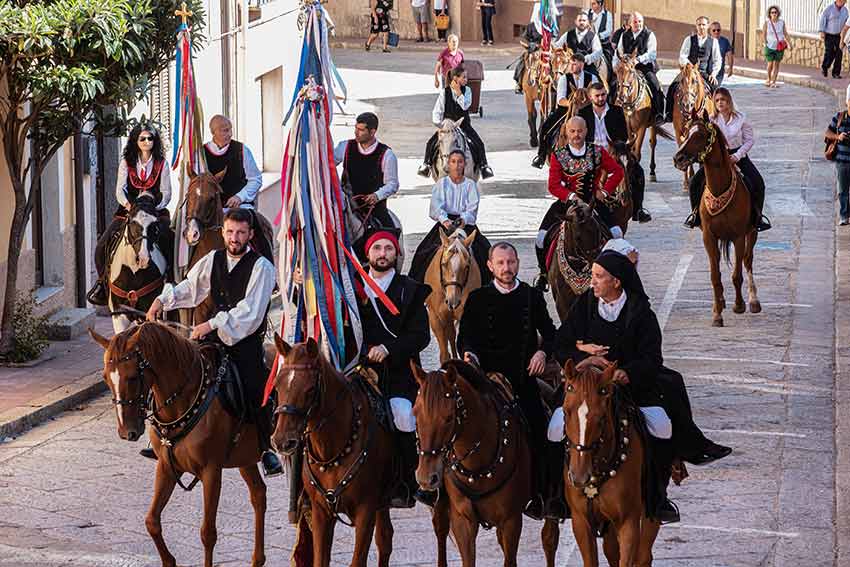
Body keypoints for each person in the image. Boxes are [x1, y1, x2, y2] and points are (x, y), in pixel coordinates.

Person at [553, 249, 732, 524]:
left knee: (661, 426)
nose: (592, 282)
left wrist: (626, 372)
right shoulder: (586, 303)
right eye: (593, 276)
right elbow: (561, 342)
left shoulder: (640, 312)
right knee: (554, 427)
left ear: (616, 281)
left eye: (599, 277)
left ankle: (657, 495)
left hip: (629, 386)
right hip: (588, 386)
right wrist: (584, 355)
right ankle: (555, 494)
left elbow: (652, 357)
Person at [145, 208, 283, 477]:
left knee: (255, 386)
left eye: (241, 232)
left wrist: (212, 323)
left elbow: (250, 312)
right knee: (173, 373)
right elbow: (191, 286)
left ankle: (266, 448)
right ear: (223, 232)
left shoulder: (262, 267)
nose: (235, 238)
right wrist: (164, 299)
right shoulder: (213, 259)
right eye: (230, 232)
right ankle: (161, 436)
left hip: (243, 342)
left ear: (250, 234)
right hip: (210, 340)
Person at [457, 241, 563, 520]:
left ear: (518, 263)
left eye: (511, 262)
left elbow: (551, 333)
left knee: (541, 430)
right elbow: (465, 337)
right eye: (501, 263)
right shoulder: (478, 298)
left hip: (523, 379)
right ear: (490, 266)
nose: (507, 268)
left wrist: (542, 352)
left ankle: (544, 494)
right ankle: (445, 491)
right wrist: (469, 355)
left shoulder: (531, 296)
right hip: (487, 381)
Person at [357, 231, 432, 507]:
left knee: (402, 416)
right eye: (377, 248)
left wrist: (389, 348)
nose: (383, 253)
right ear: (368, 253)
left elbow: (421, 335)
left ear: (396, 253)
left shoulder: (409, 289)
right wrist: (298, 286)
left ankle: (407, 482)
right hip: (360, 369)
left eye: (388, 248)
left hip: (399, 372)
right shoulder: (353, 287)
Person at [87, 123, 174, 306]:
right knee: (102, 246)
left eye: (150, 138)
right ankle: (103, 284)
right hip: (129, 210)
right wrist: (128, 205)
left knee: (170, 239)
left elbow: (166, 193)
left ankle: (171, 282)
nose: (146, 142)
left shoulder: (162, 163)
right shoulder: (126, 162)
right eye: (142, 138)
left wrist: (154, 206)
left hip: (154, 211)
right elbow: (120, 189)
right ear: (135, 140)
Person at [534, 116, 624, 290]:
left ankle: (618, 273)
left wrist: (604, 192)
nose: (576, 135)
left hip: (593, 203)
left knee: (617, 234)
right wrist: (570, 196)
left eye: (580, 131)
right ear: (567, 132)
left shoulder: (597, 151)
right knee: (540, 238)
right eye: (572, 131)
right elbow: (553, 185)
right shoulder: (558, 155)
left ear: (586, 131)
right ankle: (543, 274)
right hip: (566, 203)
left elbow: (617, 172)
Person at [684, 88, 770, 232]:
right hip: (717, 158)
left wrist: (737, 156)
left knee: (758, 182)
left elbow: (749, 140)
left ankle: (757, 217)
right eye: (716, 100)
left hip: (738, 155)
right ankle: (695, 215)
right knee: (694, 183)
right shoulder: (711, 120)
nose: (719, 103)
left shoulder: (741, 118)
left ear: (729, 101)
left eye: (722, 100)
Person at [408, 150, 492, 285]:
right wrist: (445, 221)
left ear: (464, 164)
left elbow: (472, 208)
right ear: (448, 164)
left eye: (460, 162)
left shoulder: (471, 185)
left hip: (466, 224)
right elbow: (436, 207)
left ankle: (487, 286)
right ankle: (417, 289)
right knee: (423, 253)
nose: (457, 165)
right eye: (453, 162)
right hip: (445, 224)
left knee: (485, 251)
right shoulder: (441, 184)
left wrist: (463, 220)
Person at [577, 82, 652, 223]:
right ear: (590, 97)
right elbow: (579, 137)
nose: (601, 98)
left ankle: (638, 209)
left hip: (613, 152)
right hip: (591, 153)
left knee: (638, 172)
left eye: (603, 95)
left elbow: (623, 136)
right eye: (597, 96)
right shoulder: (583, 113)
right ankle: (576, 206)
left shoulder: (616, 111)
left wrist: (616, 148)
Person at [203, 115, 273, 263]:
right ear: (213, 132)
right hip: (211, 211)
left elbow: (255, 179)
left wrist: (239, 197)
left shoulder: (241, 150)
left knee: (259, 232)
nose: (230, 134)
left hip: (241, 207)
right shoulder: (201, 154)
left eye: (230, 130)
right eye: (224, 130)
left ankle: (268, 269)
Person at [333, 112, 400, 254]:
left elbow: (392, 184)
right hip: (347, 206)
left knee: (389, 236)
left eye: (361, 129)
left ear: (372, 131)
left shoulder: (386, 154)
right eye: (356, 128)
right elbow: (328, 163)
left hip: (374, 208)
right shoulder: (345, 147)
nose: (356, 133)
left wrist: (376, 195)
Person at [418, 66, 494, 179]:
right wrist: (440, 125)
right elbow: (437, 111)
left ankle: (484, 166)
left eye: (466, 77)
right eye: (464, 77)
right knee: (431, 143)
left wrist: (459, 92)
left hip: (464, 125)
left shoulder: (467, 90)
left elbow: (466, 106)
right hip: (448, 126)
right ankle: (427, 164)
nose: (466, 79)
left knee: (479, 143)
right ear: (455, 78)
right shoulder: (445, 92)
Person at [531, 53, 596, 169]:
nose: (571, 67)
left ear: (582, 64)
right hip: (565, 110)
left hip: (586, 110)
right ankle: (541, 156)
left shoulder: (592, 78)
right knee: (545, 127)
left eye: (574, 64)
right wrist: (572, 103)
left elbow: (596, 95)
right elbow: (560, 99)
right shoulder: (564, 78)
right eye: (570, 64)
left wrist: (585, 103)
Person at [665, 16, 721, 123]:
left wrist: (713, 74)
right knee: (673, 86)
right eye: (699, 24)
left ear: (708, 26)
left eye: (703, 25)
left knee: (716, 88)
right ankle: (668, 114)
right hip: (688, 72)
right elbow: (682, 55)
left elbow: (717, 60)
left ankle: (717, 115)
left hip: (703, 73)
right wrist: (689, 65)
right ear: (696, 26)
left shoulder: (713, 42)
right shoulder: (689, 39)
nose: (701, 27)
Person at [613, 12, 664, 125]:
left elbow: (652, 54)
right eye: (635, 22)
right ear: (630, 23)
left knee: (654, 84)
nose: (638, 24)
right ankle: (613, 113)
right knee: (612, 85)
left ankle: (658, 113)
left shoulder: (649, 35)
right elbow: (618, 52)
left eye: (640, 21)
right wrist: (615, 65)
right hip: (626, 67)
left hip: (644, 67)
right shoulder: (624, 35)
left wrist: (638, 60)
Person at [513, 1, 554, 94]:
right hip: (533, 50)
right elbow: (524, 39)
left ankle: (555, 84)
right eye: (540, 13)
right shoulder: (531, 26)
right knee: (522, 61)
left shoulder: (549, 26)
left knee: (554, 63)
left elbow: (554, 38)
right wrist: (531, 45)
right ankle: (519, 83)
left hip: (546, 50)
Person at [553, 12, 605, 80]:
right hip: (570, 68)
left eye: (584, 20)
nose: (582, 22)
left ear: (587, 22)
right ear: (575, 22)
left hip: (587, 67)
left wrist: (587, 58)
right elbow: (557, 46)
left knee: (597, 84)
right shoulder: (568, 34)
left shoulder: (593, 36)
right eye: (579, 20)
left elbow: (598, 52)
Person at [826, 96, 850, 225]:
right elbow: (827, 132)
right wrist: (838, 136)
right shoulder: (840, 116)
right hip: (842, 161)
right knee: (843, 191)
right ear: (847, 102)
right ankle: (844, 216)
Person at [763, 5, 791, 88]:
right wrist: (765, 43)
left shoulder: (781, 22)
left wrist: (789, 43)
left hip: (779, 47)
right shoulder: (767, 23)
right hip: (769, 46)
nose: (774, 14)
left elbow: (785, 33)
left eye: (775, 12)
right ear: (769, 14)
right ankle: (768, 78)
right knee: (770, 64)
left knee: (777, 64)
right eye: (772, 12)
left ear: (778, 13)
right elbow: (764, 34)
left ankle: (773, 82)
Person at [821, 0, 850, 79]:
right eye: (844, 1)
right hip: (829, 35)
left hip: (840, 36)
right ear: (838, 0)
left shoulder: (845, 10)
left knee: (839, 54)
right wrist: (822, 31)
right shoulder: (829, 9)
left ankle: (836, 73)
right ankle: (825, 66)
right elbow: (823, 19)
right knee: (829, 52)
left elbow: (847, 24)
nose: (844, 3)